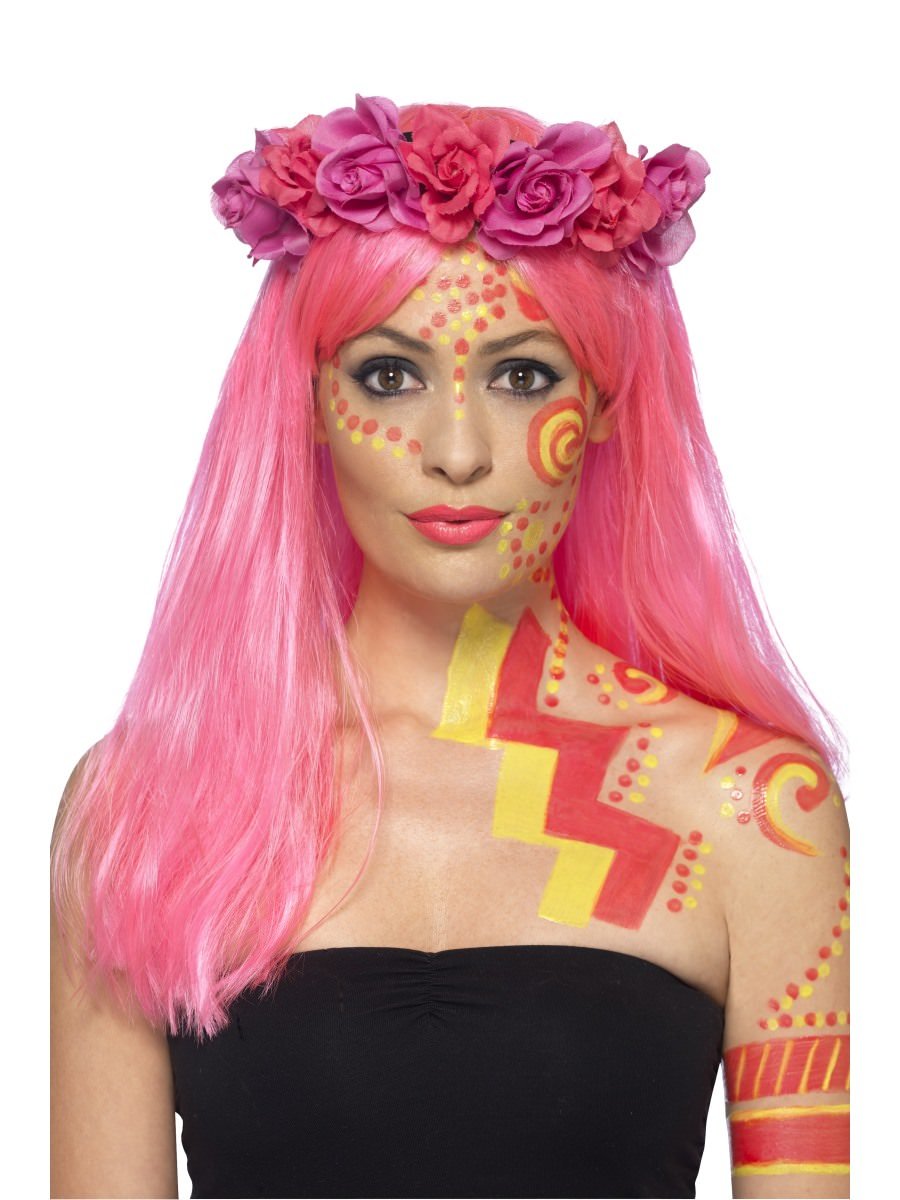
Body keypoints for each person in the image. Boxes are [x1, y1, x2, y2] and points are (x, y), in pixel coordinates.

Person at [50, 96, 851, 1199]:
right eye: (390, 375)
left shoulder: (749, 807)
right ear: (308, 401)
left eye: (524, 376)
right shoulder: (146, 804)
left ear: (607, 400)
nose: (458, 451)